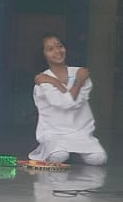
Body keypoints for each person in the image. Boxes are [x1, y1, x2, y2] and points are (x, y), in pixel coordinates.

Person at [30, 33, 106, 165]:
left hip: (80, 133)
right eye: (50, 49)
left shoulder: (80, 73)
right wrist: (75, 82)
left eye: (59, 46)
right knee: (59, 156)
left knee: (99, 159)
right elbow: (64, 103)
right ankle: (59, 151)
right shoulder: (43, 78)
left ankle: (75, 153)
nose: (57, 51)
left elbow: (73, 102)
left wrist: (56, 82)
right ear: (43, 55)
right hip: (54, 133)